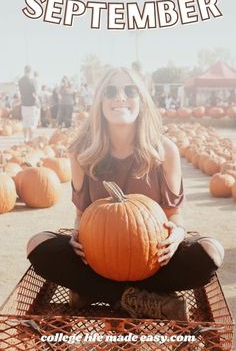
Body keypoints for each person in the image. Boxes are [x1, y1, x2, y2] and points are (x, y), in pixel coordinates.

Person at [27, 67, 224, 320]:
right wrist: (77, 235)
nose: (120, 97)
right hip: (99, 261)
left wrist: (178, 235)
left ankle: (96, 293)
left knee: (211, 251)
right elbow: (81, 213)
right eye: (111, 91)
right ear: (100, 102)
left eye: (129, 90)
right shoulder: (82, 153)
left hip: (154, 260)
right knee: (37, 245)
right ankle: (142, 300)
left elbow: (174, 214)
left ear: (142, 99)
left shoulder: (164, 150)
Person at [18, 65, 38, 142]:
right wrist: (37, 101)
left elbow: (20, 92)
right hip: (31, 104)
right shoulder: (32, 81)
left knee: (25, 122)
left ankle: (25, 138)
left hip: (24, 104)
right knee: (31, 122)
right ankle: (30, 138)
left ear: (24, 70)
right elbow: (34, 93)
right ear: (30, 71)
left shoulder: (20, 81)